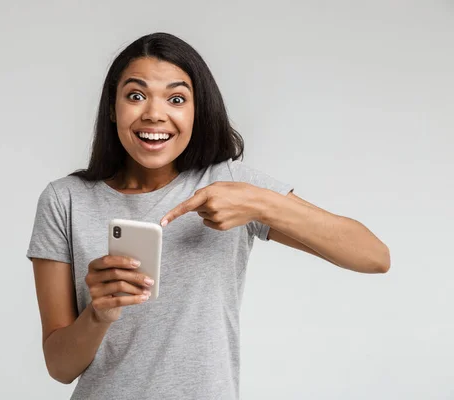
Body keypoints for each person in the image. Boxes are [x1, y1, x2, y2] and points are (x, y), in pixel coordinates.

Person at [26, 32, 390, 400]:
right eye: (135, 96)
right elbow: (60, 367)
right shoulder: (65, 200)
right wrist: (99, 315)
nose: (154, 113)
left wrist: (260, 204)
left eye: (176, 98)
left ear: (197, 111)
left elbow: (374, 256)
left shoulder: (230, 186)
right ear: (112, 107)